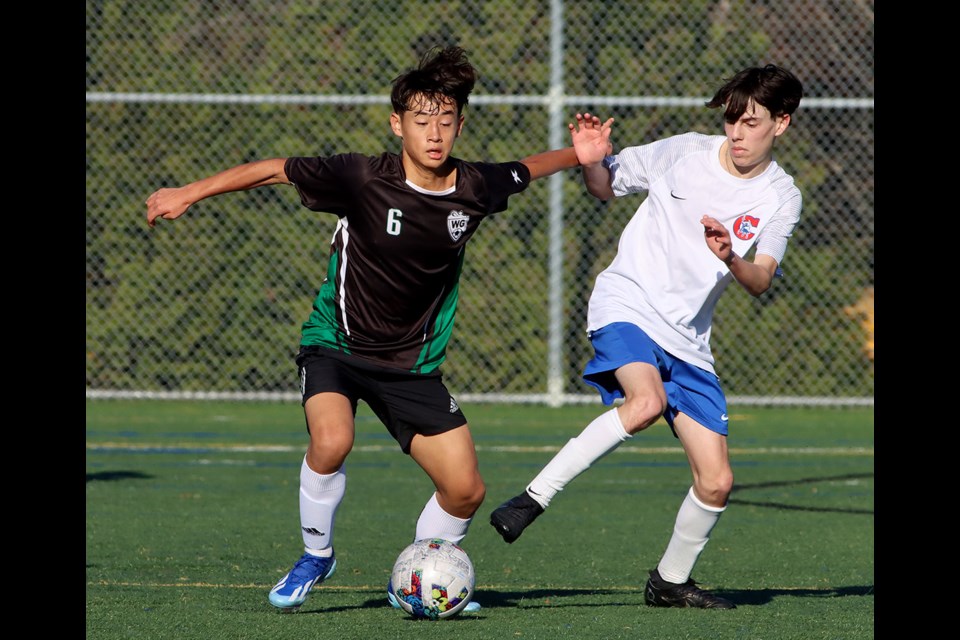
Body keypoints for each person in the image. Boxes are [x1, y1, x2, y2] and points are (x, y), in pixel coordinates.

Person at [145, 45, 614, 612]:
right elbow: (274, 169)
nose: (434, 133)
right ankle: (316, 555)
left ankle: (420, 579)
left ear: (461, 125)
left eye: (446, 121)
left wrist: (580, 152)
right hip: (335, 347)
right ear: (398, 124)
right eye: (421, 121)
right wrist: (187, 193)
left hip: (411, 367)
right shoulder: (362, 176)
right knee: (332, 440)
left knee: (465, 490)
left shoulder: (476, 186)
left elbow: (527, 169)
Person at [489, 64, 804, 610]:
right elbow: (605, 186)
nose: (737, 133)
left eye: (751, 123)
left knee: (717, 482)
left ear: (782, 123)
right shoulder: (683, 152)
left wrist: (731, 257)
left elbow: (762, 280)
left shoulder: (781, 196)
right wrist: (591, 161)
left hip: (688, 340)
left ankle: (669, 581)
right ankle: (532, 498)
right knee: (645, 401)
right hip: (627, 303)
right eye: (731, 120)